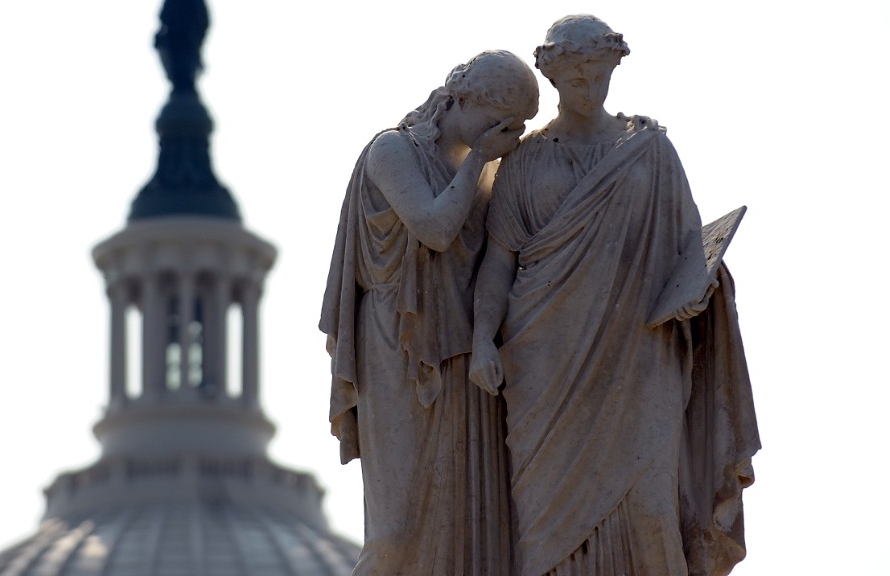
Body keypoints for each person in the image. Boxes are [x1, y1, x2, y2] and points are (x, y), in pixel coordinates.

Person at [469, 15, 760, 576]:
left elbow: (688, 249)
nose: (590, 88)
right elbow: (499, 261)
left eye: (599, 77)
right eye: (577, 79)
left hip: (640, 353)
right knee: (545, 533)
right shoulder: (523, 161)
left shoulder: (649, 151)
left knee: (651, 508)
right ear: (553, 80)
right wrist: (483, 338)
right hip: (544, 363)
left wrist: (701, 291)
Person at [320, 50, 539, 574]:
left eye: (519, 126)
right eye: (501, 120)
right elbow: (435, 229)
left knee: (465, 519)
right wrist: (481, 159)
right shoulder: (392, 150)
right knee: (396, 531)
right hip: (398, 341)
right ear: (464, 99)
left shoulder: (484, 175)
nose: (508, 133)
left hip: (464, 350)